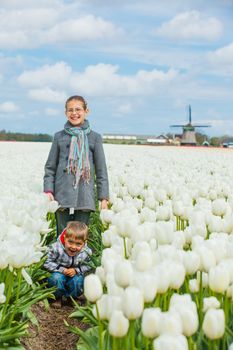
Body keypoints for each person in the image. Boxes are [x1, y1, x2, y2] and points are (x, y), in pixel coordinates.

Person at [44, 95, 109, 236]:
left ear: (87, 111)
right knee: (62, 236)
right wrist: (48, 191)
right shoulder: (59, 136)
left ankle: (79, 259)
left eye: (78, 109)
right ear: (65, 113)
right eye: (70, 110)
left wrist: (103, 197)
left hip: (85, 194)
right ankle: (61, 258)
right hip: (62, 194)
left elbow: (101, 170)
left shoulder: (94, 137)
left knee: (80, 237)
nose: (74, 113)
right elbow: (50, 167)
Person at [44, 221, 92, 307]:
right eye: (70, 242)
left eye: (78, 244)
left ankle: (72, 297)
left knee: (78, 280)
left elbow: (89, 265)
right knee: (55, 279)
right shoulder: (56, 248)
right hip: (58, 271)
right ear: (65, 238)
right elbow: (46, 262)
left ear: (84, 243)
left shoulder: (86, 252)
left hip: (75, 274)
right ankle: (57, 297)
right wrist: (62, 270)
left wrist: (76, 270)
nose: (73, 247)